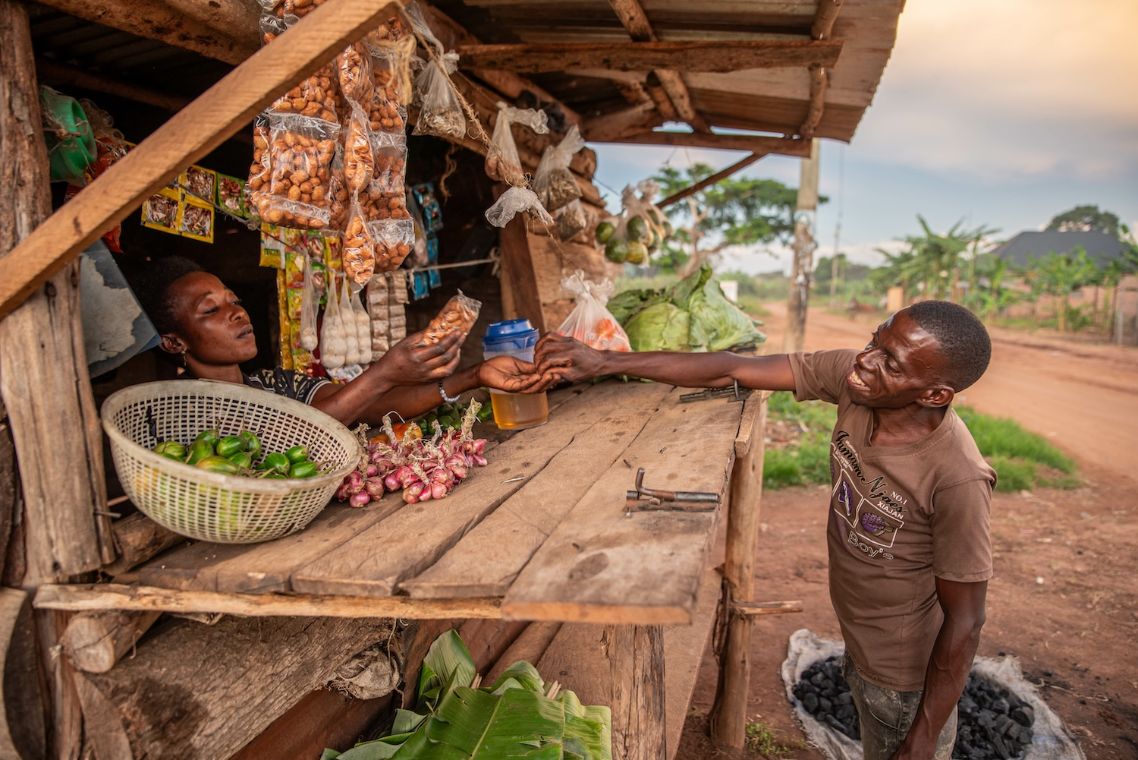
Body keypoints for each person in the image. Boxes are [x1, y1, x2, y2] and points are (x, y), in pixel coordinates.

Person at [534, 301, 995, 760]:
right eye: (875, 340)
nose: (865, 360)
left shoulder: (957, 478)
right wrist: (604, 361)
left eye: (889, 362)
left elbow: (966, 620)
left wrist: (923, 737)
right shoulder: (858, 384)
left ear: (935, 395)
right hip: (861, 637)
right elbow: (732, 368)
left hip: (903, 677)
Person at [131, 257, 544, 426]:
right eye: (210, 310)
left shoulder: (273, 385)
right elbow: (306, 432)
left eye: (234, 301)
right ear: (172, 342)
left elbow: (365, 405)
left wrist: (472, 376)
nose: (238, 313)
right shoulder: (176, 413)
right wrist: (384, 372)